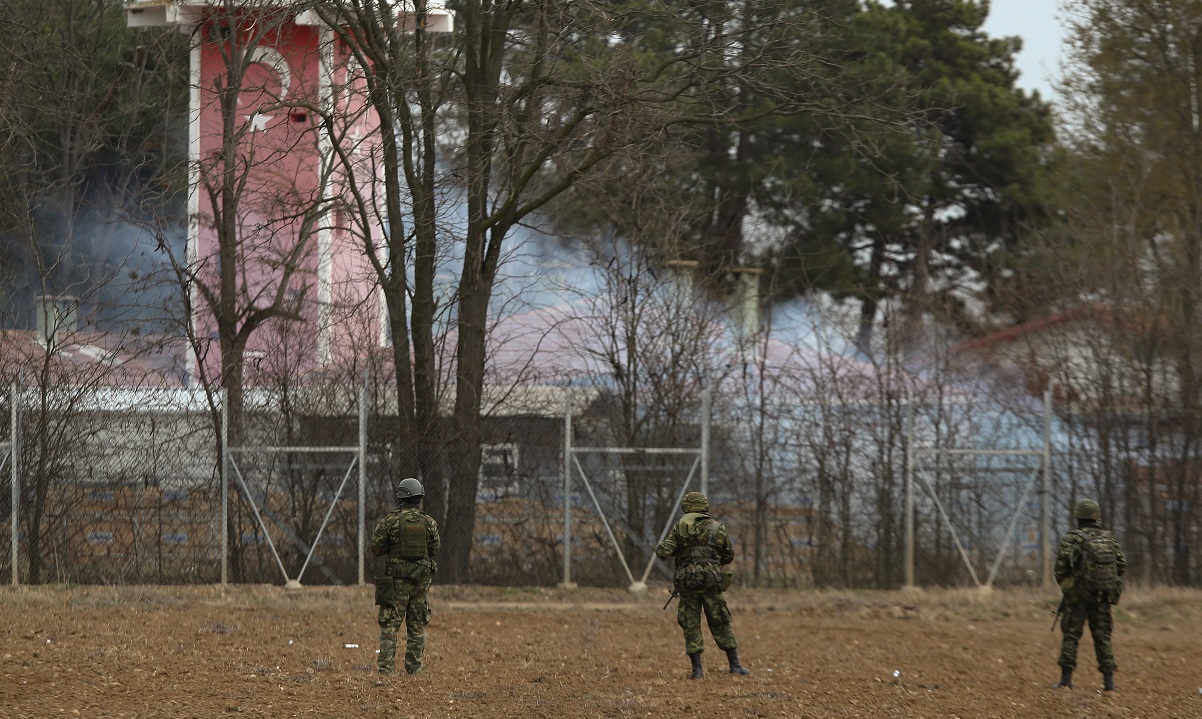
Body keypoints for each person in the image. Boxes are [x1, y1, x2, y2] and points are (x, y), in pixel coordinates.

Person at [655, 491, 751, 679]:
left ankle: (697, 670)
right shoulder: (717, 528)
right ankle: (735, 665)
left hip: (688, 586)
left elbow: (663, 552)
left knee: (691, 624)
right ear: (704, 506)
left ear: (687, 507)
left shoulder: (680, 528)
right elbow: (728, 556)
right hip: (710, 584)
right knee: (720, 620)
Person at [1053, 498, 1126, 691]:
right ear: (1097, 517)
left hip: (1077, 596)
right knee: (1103, 636)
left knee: (1071, 635)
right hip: (1102, 595)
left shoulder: (1072, 538)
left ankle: (1065, 681)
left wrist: (1070, 586)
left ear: (1078, 516)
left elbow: (1060, 569)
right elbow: (1121, 565)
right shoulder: (1109, 538)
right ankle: (1109, 684)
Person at [371, 477, 440, 675]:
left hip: (396, 582)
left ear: (400, 497)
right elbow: (434, 548)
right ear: (419, 497)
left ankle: (385, 669)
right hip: (421, 581)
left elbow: (376, 548)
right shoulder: (429, 522)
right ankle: (414, 668)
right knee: (417, 624)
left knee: (390, 624)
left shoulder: (391, 521)